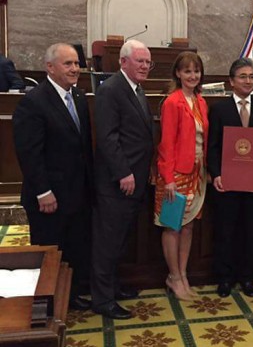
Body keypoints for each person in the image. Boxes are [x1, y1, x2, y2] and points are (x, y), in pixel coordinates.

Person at [13, 43, 93, 311]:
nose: (75, 69)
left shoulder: (79, 97)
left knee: (72, 248)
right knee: (49, 252)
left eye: (77, 64)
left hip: (76, 193)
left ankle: (68, 297)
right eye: (68, 64)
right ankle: (45, 306)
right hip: (49, 196)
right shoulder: (33, 102)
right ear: (50, 67)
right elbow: (29, 153)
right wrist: (43, 192)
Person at [91, 39, 154, 320]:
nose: (144, 66)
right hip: (117, 182)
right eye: (139, 61)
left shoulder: (137, 89)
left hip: (136, 179)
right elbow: (107, 137)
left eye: (147, 62)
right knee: (108, 242)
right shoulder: (111, 90)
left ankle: (114, 287)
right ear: (123, 62)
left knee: (120, 240)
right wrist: (123, 172)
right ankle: (102, 300)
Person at [207, 58, 253, 298]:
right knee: (226, 231)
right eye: (243, 76)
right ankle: (225, 278)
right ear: (231, 81)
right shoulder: (219, 109)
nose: (248, 81)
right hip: (227, 182)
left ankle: (248, 277)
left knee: (252, 230)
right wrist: (215, 173)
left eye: (252, 76)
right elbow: (212, 146)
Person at [155, 52, 209, 301]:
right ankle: (173, 276)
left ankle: (183, 274)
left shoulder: (200, 100)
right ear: (178, 73)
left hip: (197, 174)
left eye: (196, 71)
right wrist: (168, 178)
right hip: (175, 174)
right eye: (187, 71)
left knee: (188, 226)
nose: (192, 76)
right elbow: (166, 144)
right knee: (172, 226)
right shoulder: (172, 102)